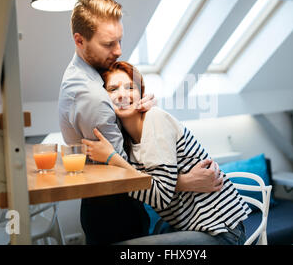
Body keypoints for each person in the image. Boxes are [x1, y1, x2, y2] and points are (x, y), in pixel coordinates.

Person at [58, 0, 225, 245]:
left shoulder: (85, 75)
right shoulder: (92, 96)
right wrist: (185, 182)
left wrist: (141, 115)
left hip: (109, 209)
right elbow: (122, 176)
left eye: (119, 40)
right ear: (79, 41)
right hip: (115, 215)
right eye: (108, 44)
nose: (118, 51)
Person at [83, 61, 252, 245]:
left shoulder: (155, 119)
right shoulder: (125, 141)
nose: (122, 94)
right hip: (190, 230)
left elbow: (160, 197)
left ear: (141, 93)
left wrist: (111, 157)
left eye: (130, 87)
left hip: (221, 233)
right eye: (113, 89)